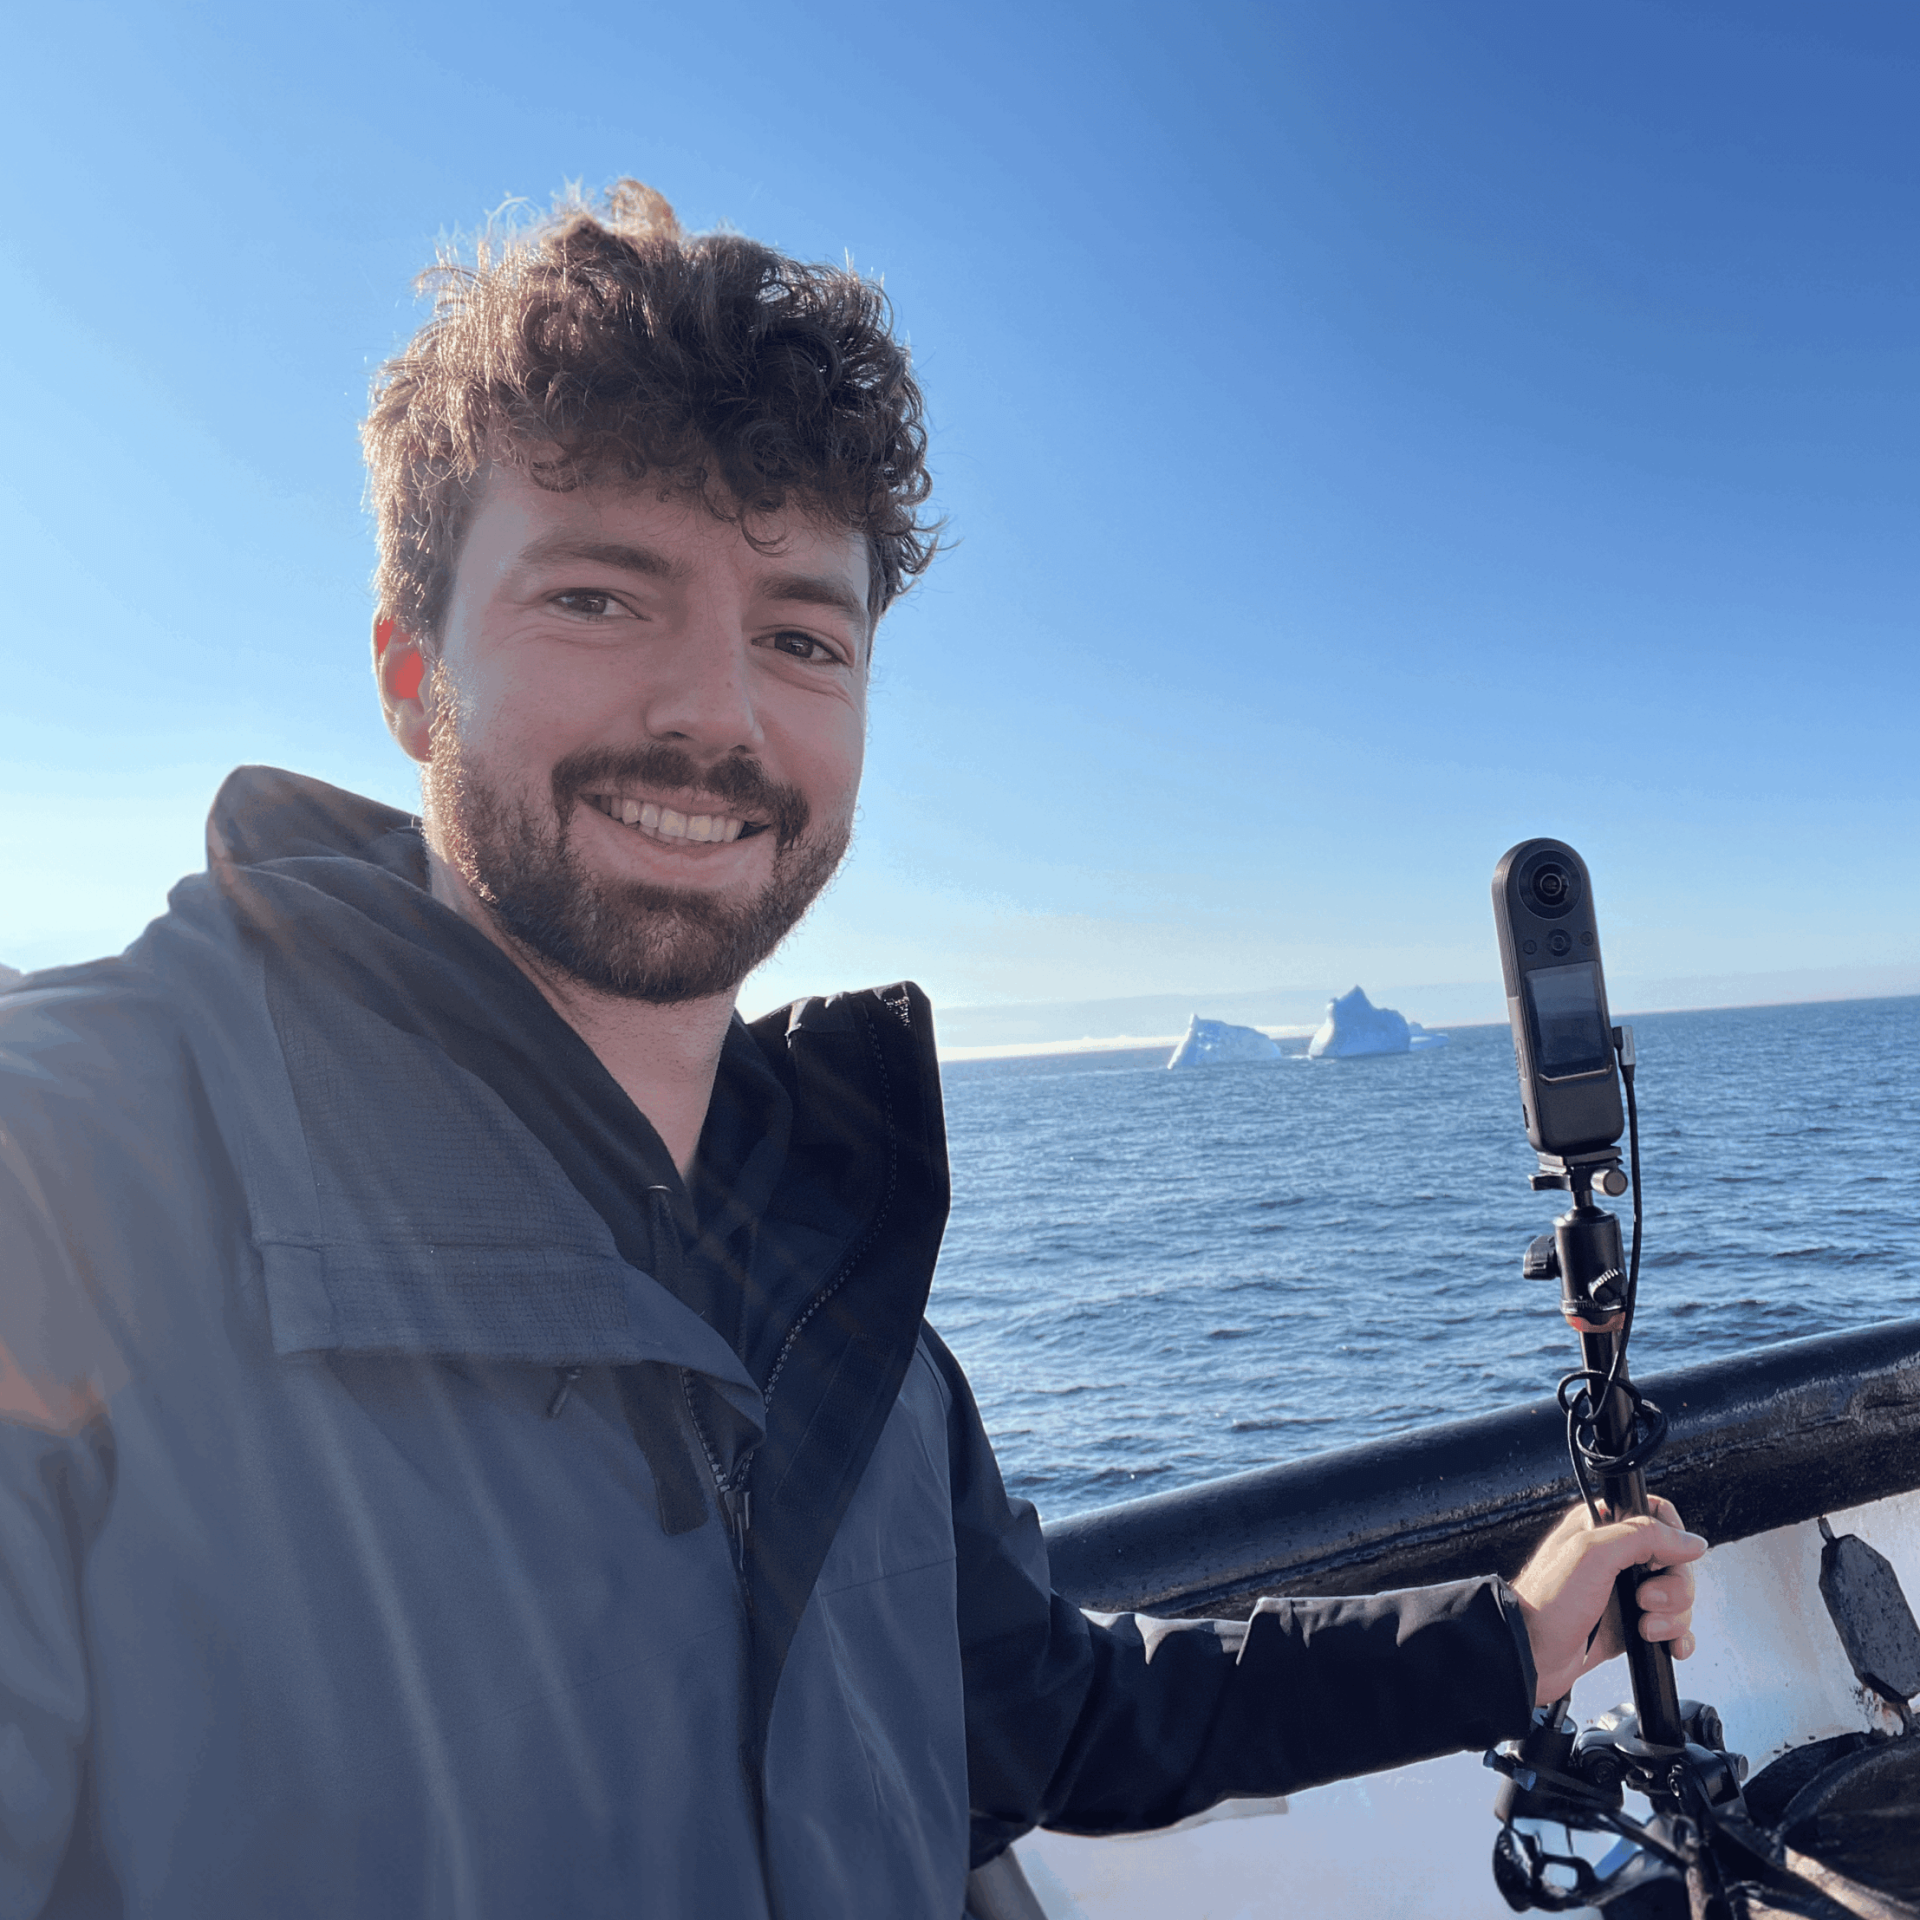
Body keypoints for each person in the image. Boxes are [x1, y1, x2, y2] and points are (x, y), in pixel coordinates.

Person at [0, 182, 1701, 1920]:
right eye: (599, 598)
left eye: (803, 636)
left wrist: (1498, 1645)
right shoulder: (66, 1183)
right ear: (409, 673)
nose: (718, 713)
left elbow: (1037, 1714)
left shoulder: (822, 1259)